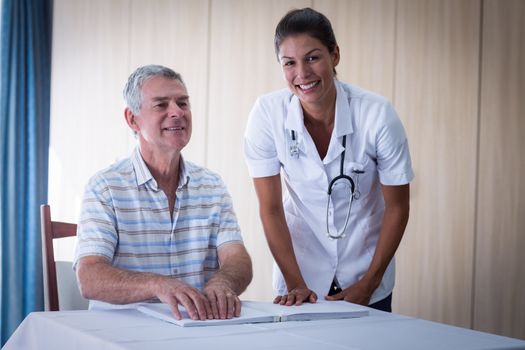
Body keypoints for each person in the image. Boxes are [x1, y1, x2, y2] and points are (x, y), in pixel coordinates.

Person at [243, 8, 413, 312]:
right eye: (289, 63)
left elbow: (397, 206)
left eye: (312, 58)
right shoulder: (267, 115)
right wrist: (295, 282)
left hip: (367, 274)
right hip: (300, 276)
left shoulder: (376, 114)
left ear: (334, 55)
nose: (302, 74)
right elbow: (270, 208)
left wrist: (369, 283)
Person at [74, 64, 252, 321]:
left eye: (182, 103)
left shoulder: (212, 185)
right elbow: (89, 278)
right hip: (122, 333)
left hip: (195, 330)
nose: (177, 113)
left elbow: (237, 258)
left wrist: (224, 282)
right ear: (132, 119)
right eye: (161, 105)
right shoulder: (105, 187)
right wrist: (157, 285)